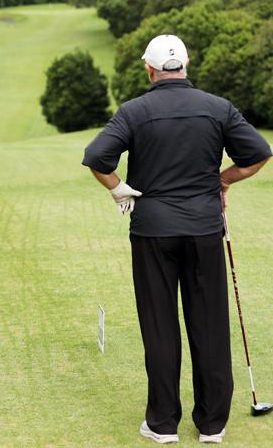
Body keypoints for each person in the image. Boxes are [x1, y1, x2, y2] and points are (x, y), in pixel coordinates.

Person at [82, 35, 271, 444]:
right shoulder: (217, 108)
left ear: (149, 70)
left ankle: (163, 424)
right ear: (185, 64)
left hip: (152, 233)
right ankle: (212, 424)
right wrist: (224, 178)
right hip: (204, 229)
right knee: (210, 325)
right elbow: (258, 152)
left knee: (160, 326)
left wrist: (118, 188)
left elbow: (97, 158)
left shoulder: (134, 111)